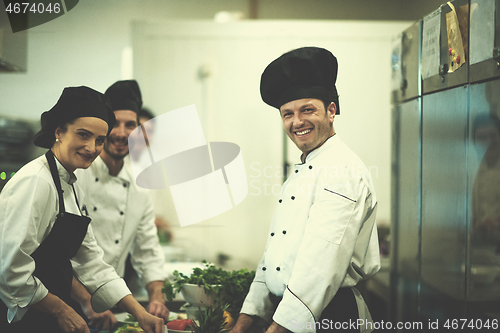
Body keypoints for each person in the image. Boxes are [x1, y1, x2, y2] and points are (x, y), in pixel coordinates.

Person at [230, 47, 380, 333]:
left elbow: (319, 268)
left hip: (329, 318)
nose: (297, 122)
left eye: (307, 110)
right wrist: (244, 321)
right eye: (288, 114)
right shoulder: (305, 167)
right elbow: (274, 257)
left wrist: (275, 330)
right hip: (290, 315)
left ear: (331, 111)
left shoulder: (342, 170)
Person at [0, 86, 164, 333]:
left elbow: (90, 260)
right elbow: (10, 268)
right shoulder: (36, 181)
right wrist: (62, 309)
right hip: (22, 318)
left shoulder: (71, 185)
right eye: (83, 135)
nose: (92, 148)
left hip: (46, 315)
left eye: (99, 140)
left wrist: (140, 313)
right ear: (59, 132)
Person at [73, 80, 169, 329]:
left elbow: (147, 250)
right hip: (67, 302)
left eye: (131, 125)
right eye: (114, 123)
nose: (122, 133)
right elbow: (54, 255)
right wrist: (86, 301)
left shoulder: (139, 185)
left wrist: (156, 295)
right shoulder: (77, 175)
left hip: (113, 303)